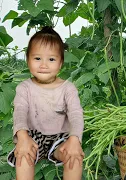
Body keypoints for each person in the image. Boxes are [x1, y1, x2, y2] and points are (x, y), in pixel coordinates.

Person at [7, 26, 84, 180]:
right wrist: (22, 137)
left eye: (51, 59)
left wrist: (75, 139)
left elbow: (76, 114)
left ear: (61, 62)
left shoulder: (67, 88)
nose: (44, 64)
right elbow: (20, 112)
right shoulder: (24, 88)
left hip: (60, 138)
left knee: (74, 157)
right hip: (32, 136)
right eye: (37, 58)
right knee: (23, 157)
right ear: (28, 59)